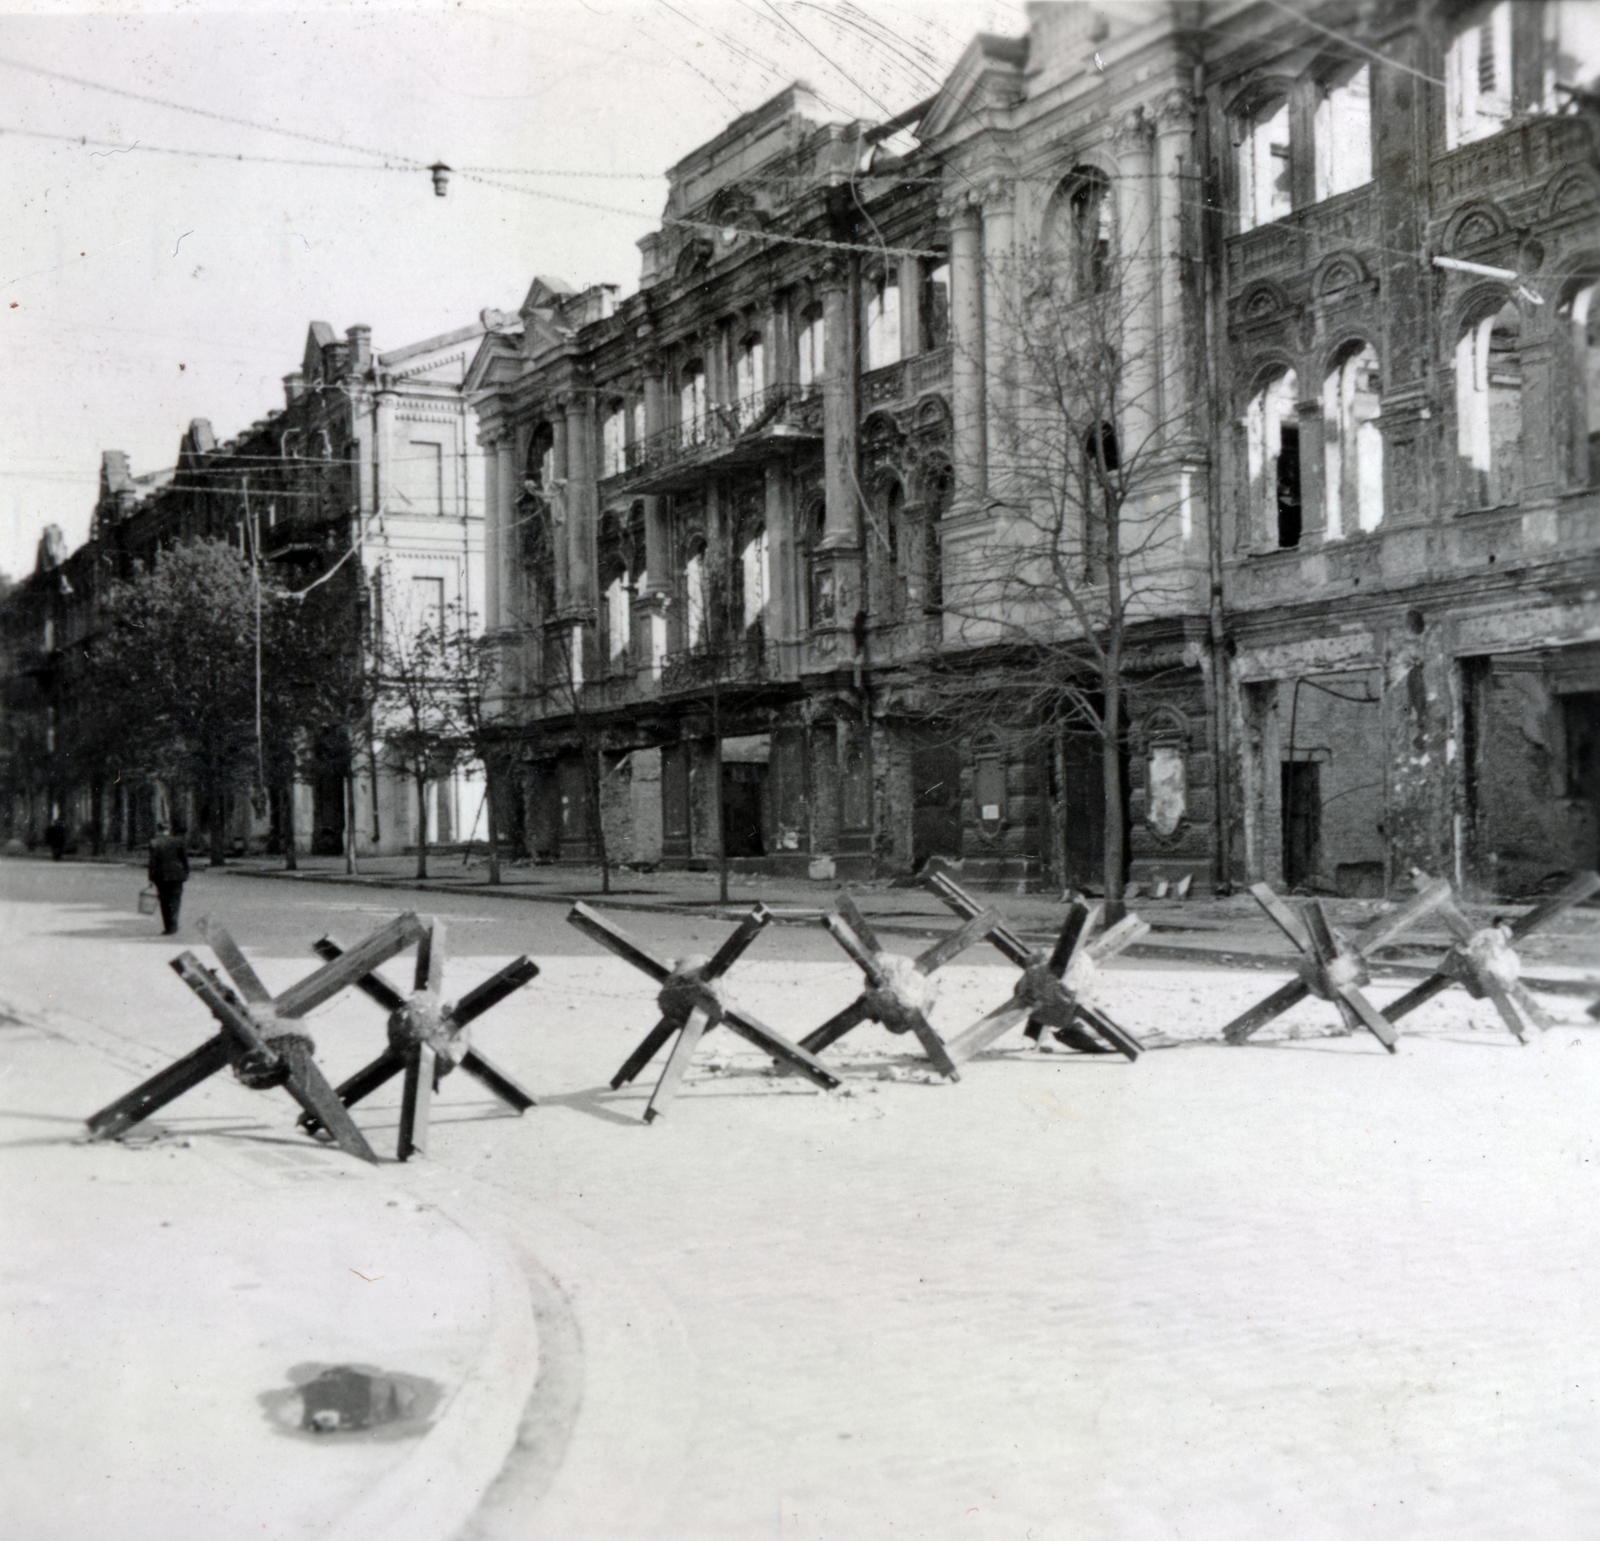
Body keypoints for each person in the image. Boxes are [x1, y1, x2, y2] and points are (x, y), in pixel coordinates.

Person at [147, 821, 190, 936]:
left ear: (158, 830)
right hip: (177, 876)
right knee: (175, 900)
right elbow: (184, 859)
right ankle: (174, 925)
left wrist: (151, 878)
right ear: (169, 830)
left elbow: (152, 863)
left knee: (164, 902)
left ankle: (168, 927)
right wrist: (186, 872)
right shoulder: (178, 841)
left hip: (161, 877)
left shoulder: (154, 843)